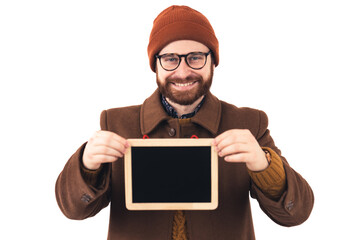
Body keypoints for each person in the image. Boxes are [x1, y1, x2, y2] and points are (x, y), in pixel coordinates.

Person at [55, 5, 314, 240]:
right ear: (155, 65)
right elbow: (74, 210)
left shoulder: (248, 123)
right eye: (170, 59)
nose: (182, 71)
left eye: (195, 57)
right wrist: (87, 164)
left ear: (213, 61)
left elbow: (296, 214)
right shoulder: (116, 122)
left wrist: (264, 165)